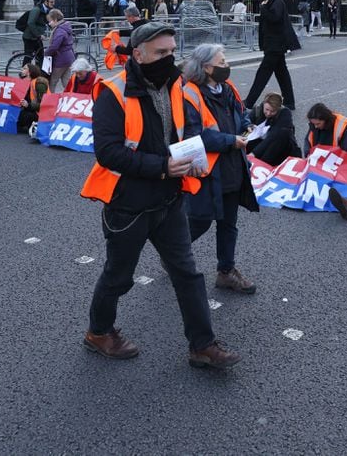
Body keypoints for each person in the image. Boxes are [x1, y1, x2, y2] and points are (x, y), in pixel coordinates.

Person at [81, 22, 240, 369]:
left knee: (188, 274)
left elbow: (179, 133)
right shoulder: (113, 91)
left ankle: (202, 345)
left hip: (169, 199)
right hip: (129, 204)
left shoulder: (177, 85)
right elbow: (108, 152)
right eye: (160, 53)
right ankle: (98, 332)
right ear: (138, 54)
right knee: (118, 276)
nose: (169, 59)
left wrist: (192, 161)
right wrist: (164, 166)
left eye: (172, 52)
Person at [181, 43, 258, 294]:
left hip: (233, 166)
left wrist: (247, 127)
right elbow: (194, 135)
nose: (227, 66)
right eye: (222, 63)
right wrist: (230, 140)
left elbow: (241, 114)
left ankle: (226, 271)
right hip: (207, 172)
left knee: (229, 223)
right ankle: (173, 254)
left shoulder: (227, 88)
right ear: (205, 67)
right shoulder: (189, 94)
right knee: (201, 221)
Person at [243, 0, 298, 110]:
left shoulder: (276, 1)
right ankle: (289, 102)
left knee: (262, 74)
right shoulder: (269, 2)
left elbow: (275, 18)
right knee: (282, 74)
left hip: (276, 45)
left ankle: (249, 102)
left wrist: (263, 8)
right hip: (273, 45)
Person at [245, 92, 302, 167]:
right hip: (262, 143)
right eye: (267, 109)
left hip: (279, 147)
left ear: (278, 109)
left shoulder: (285, 114)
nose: (268, 113)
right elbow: (246, 120)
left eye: (272, 111)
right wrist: (248, 126)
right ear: (264, 104)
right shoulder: (258, 109)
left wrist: (254, 153)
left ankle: (261, 165)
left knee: (280, 135)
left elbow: (272, 137)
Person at [45, 8, 76, 92]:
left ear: (55, 20)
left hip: (60, 59)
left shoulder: (59, 30)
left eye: (50, 20)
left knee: (52, 82)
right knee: (66, 82)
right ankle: (72, 97)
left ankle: (50, 101)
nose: (49, 23)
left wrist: (46, 53)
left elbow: (54, 46)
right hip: (68, 58)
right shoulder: (65, 26)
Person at [22, 0, 55, 65]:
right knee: (28, 58)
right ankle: (22, 74)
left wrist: (57, 29)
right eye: (51, 2)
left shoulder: (46, 10)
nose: (53, 3)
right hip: (29, 37)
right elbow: (30, 23)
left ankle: (38, 73)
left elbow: (48, 22)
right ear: (45, 1)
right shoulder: (36, 10)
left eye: (53, 2)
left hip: (36, 37)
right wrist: (39, 35)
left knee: (40, 57)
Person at [16, 62, 50, 135]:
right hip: (29, 109)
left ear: (30, 72)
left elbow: (44, 103)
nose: (22, 70)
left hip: (39, 112)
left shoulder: (39, 83)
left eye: (24, 68)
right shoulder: (23, 82)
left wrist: (28, 105)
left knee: (25, 115)